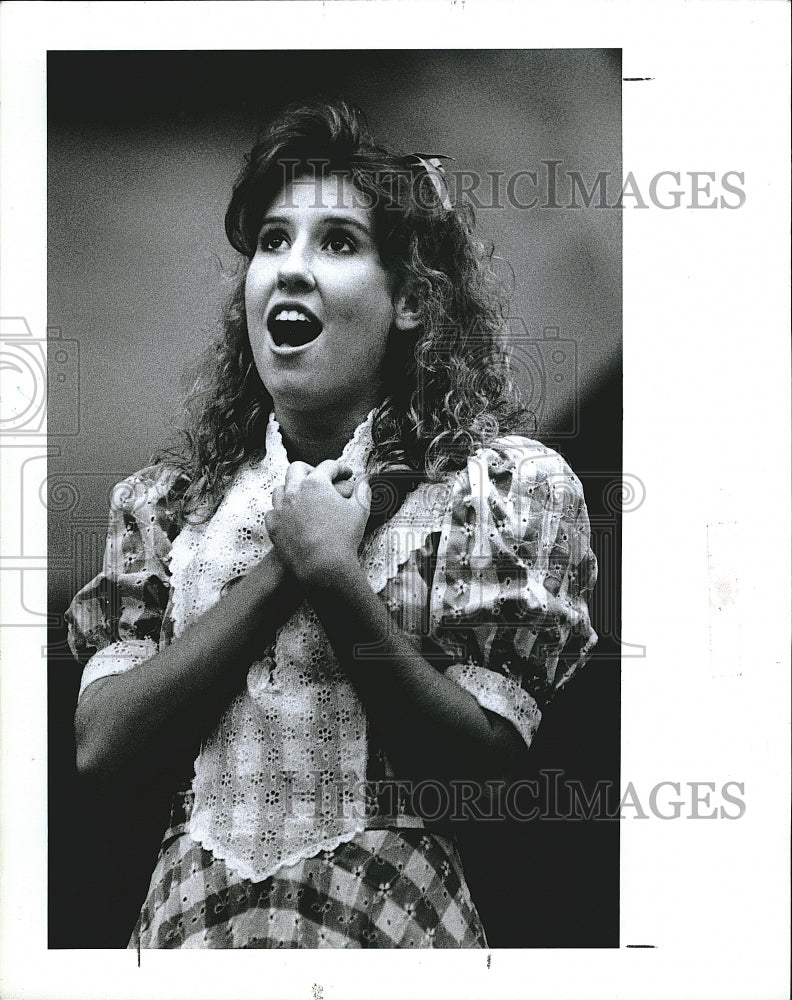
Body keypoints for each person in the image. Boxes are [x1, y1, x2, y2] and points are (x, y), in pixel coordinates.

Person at [66, 99, 598, 949]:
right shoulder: (171, 508)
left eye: (338, 242)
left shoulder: (493, 491)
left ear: (412, 301)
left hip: (391, 936)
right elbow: (102, 748)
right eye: (273, 240)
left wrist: (341, 582)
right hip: (192, 943)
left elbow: (481, 767)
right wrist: (291, 565)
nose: (290, 269)